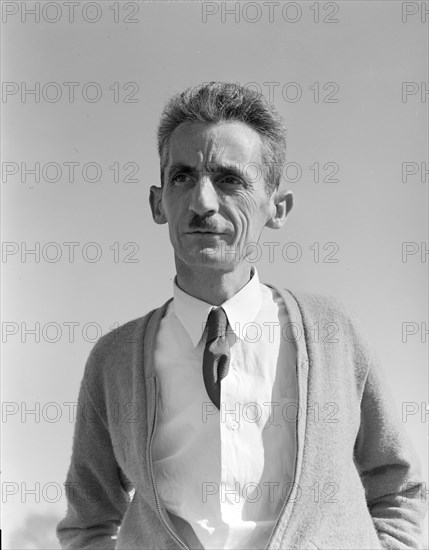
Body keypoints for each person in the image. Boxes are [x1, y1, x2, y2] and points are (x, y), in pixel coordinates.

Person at [57, 82, 426, 550]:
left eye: (230, 179)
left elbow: (398, 486)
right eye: (183, 177)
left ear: (278, 207)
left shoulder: (332, 333)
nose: (202, 203)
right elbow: (88, 522)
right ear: (157, 202)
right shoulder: (114, 359)